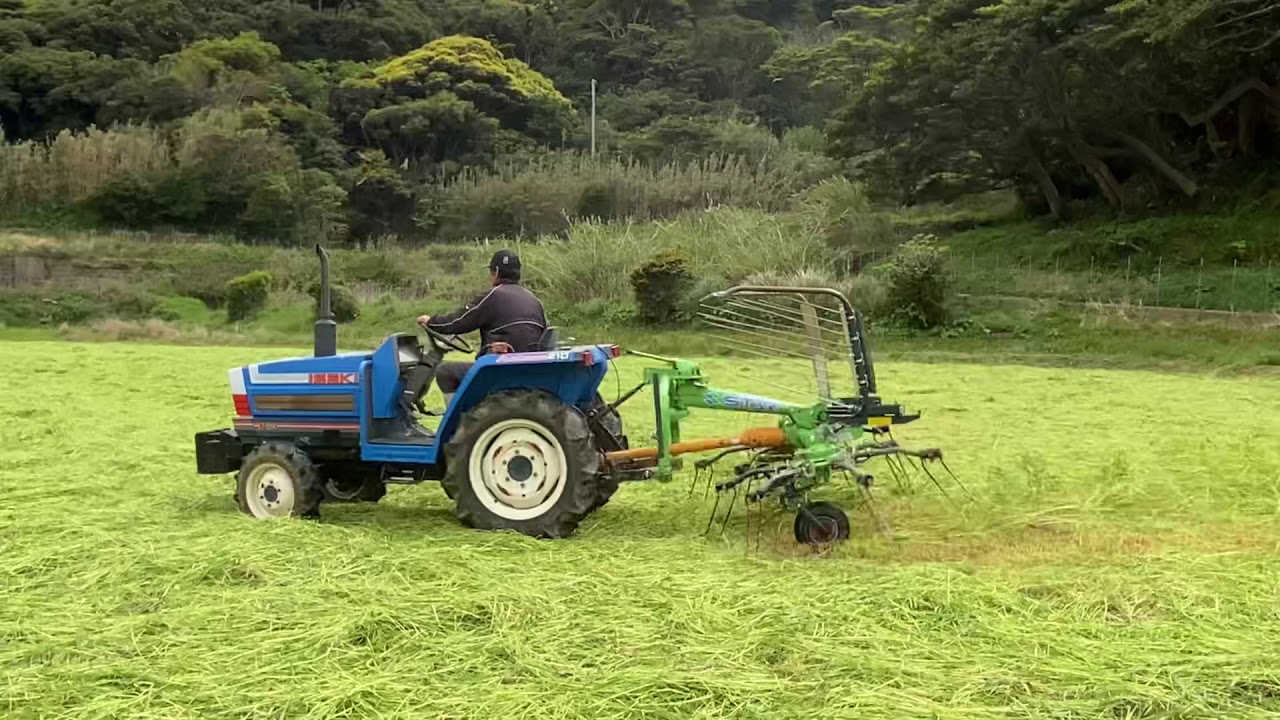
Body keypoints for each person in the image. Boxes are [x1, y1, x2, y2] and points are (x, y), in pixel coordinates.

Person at [416, 249, 547, 407]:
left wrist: (431, 321)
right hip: (525, 369)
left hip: (500, 370)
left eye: (491, 272)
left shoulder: (494, 296)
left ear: (496, 272)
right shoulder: (534, 300)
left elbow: (459, 321)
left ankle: (456, 424)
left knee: (446, 372)